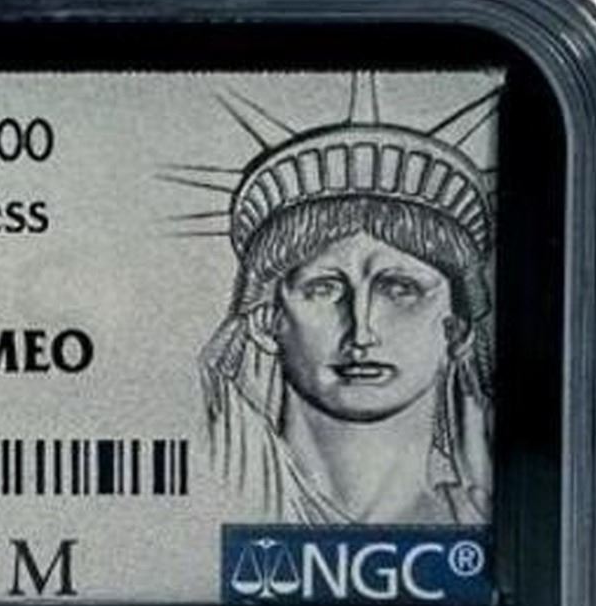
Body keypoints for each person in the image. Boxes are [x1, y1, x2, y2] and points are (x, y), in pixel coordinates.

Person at [198, 76, 497, 526]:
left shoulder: (476, 522)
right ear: (265, 320)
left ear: (457, 331)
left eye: (400, 289)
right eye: (324, 289)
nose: (362, 331)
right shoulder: (219, 479)